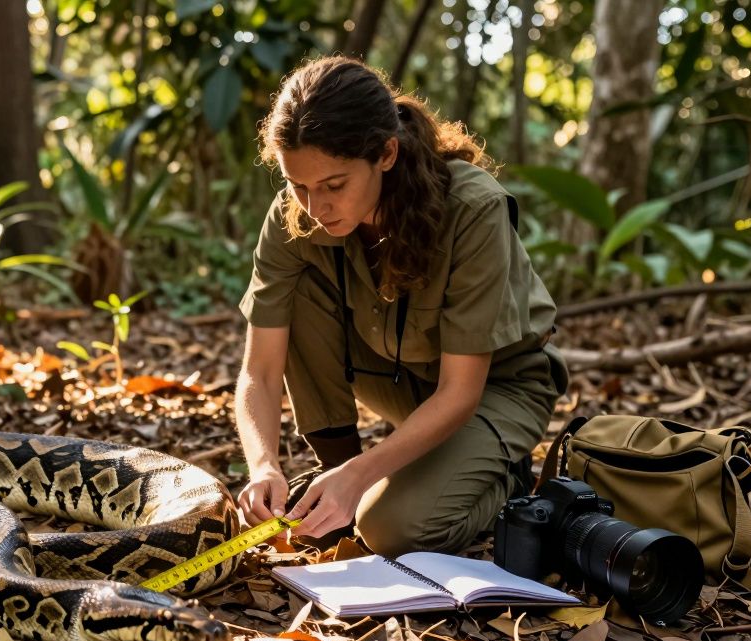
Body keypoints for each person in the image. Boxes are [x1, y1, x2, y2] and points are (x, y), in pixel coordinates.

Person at [234, 56, 569, 556]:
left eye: (334, 185)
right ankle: (339, 480)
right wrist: (263, 465)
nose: (314, 207)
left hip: (496, 388)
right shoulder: (296, 216)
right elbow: (259, 372)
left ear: (386, 154)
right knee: (299, 288)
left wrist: (366, 477)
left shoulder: (473, 209)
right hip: (393, 377)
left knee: (392, 530)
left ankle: (503, 478)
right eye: (297, 185)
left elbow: (460, 392)